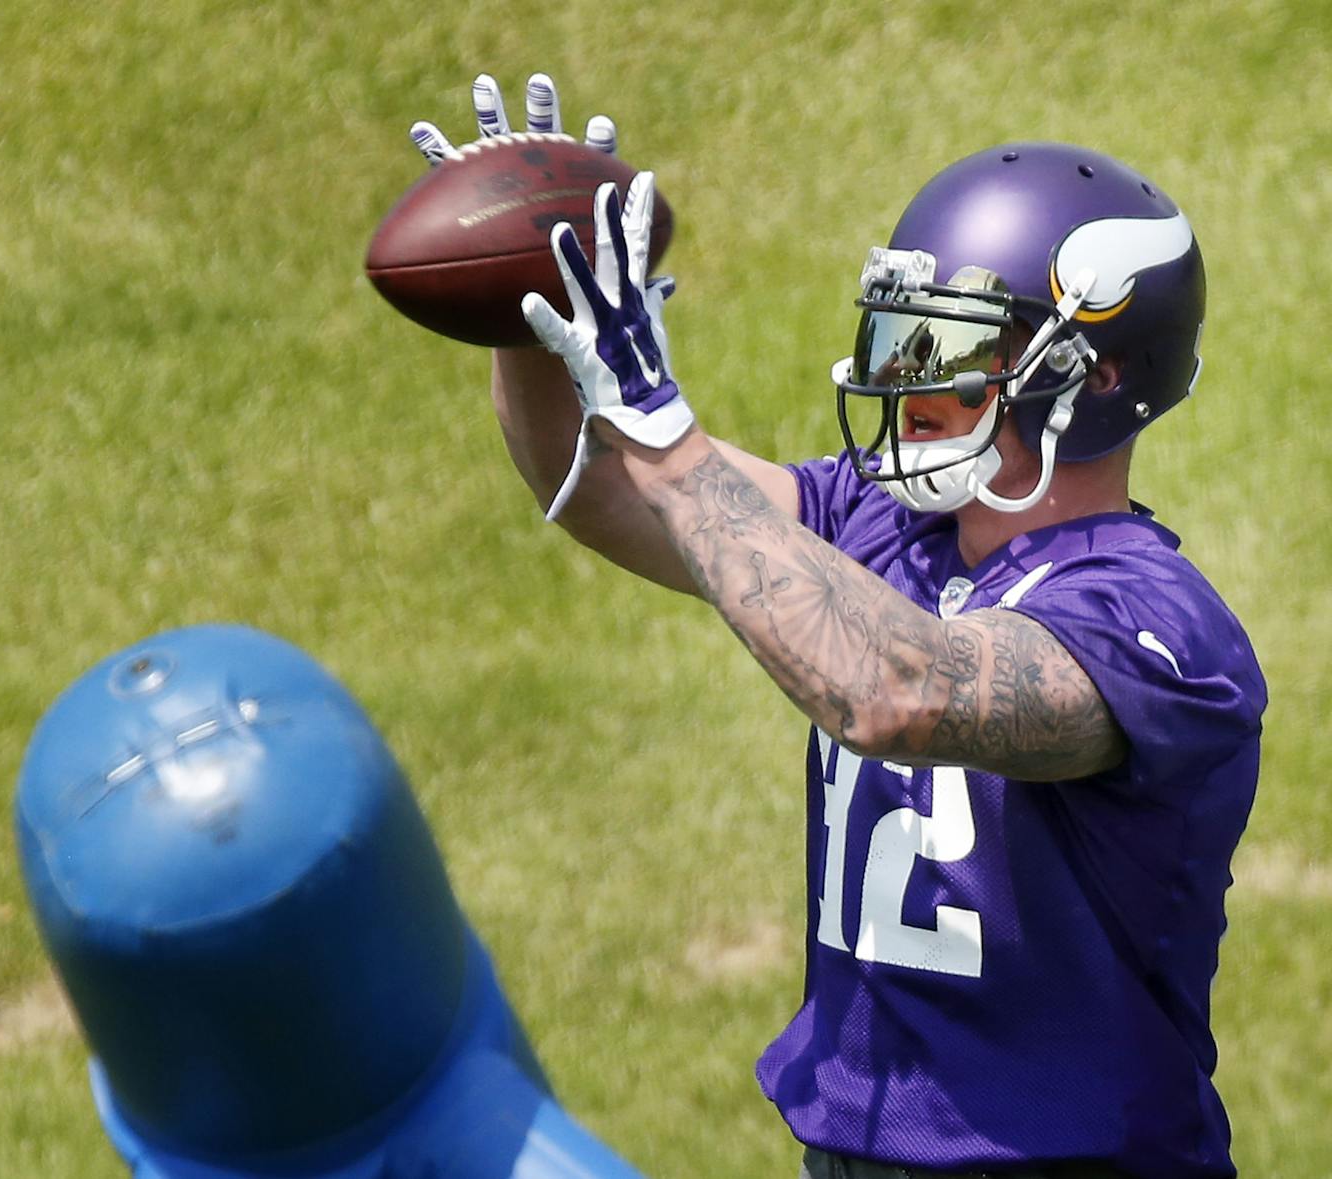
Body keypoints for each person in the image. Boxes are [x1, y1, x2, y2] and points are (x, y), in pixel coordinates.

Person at [412, 77, 1266, 1179]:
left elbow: (897, 690)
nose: (900, 377)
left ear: (1085, 378)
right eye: (898, 334)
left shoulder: (1156, 626)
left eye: (942, 348)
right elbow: (602, 493)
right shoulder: (879, 523)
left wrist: (672, 445)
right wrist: (530, 312)